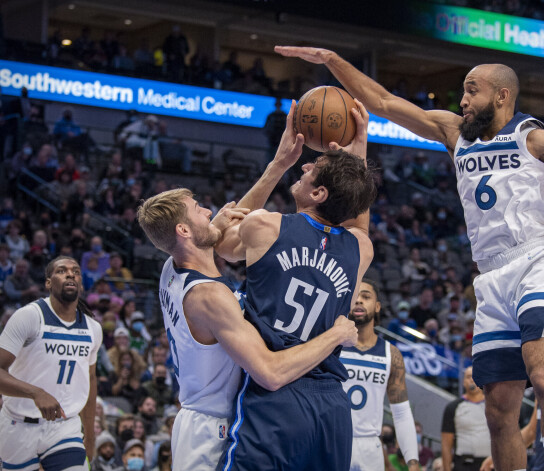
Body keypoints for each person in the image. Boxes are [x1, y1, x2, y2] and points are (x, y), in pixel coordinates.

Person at [276, 45, 544, 471]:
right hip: (490, 277)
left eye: (472, 91)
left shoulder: (533, 137)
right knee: (498, 408)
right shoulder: (454, 133)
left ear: (502, 96)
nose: (462, 100)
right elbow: (383, 102)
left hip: (539, 262)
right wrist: (332, 60)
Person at [211, 95, 375, 470]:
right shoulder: (360, 250)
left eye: (308, 171)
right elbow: (358, 219)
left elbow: (223, 244)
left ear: (318, 194)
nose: (300, 168)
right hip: (333, 405)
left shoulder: (266, 226)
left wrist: (277, 164)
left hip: (277, 394)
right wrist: (357, 151)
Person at [136, 192, 359, 467]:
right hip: (211, 429)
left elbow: (233, 227)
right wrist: (337, 335)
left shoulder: (172, 266)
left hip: (197, 418)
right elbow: (271, 373)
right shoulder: (210, 297)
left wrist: (278, 165)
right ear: (183, 230)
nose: (209, 211)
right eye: (198, 209)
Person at [0, 256, 102, 468]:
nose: (70, 274)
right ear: (48, 282)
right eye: (62, 270)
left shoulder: (93, 329)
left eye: (75, 271)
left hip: (65, 427)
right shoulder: (28, 317)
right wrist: (35, 393)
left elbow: (90, 381)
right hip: (17, 424)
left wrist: (90, 436)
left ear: (81, 283)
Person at [340, 279, 420, 471]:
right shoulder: (332, 346)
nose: (359, 301)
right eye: (354, 297)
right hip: (333, 441)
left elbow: (400, 413)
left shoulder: (391, 354)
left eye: (366, 296)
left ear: (377, 307)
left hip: (371, 446)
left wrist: (413, 461)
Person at [441, 366, 490, 471]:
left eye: (475, 376)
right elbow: (446, 444)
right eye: (468, 377)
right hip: (463, 464)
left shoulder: (493, 406)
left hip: (489, 464)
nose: (472, 379)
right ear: (463, 382)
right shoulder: (453, 407)